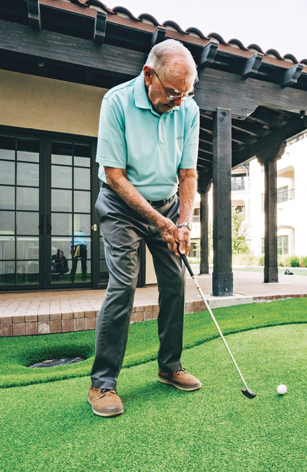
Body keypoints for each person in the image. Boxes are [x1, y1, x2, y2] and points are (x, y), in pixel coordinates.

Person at [88, 39, 201, 417]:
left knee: (174, 281)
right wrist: (159, 222)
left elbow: (187, 174)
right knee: (124, 284)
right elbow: (115, 176)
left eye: (186, 93)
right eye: (172, 92)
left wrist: (183, 222)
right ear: (148, 75)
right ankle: (102, 384)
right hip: (122, 207)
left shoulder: (188, 109)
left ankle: (170, 366)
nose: (179, 101)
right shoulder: (116, 103)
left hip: (167, 206)